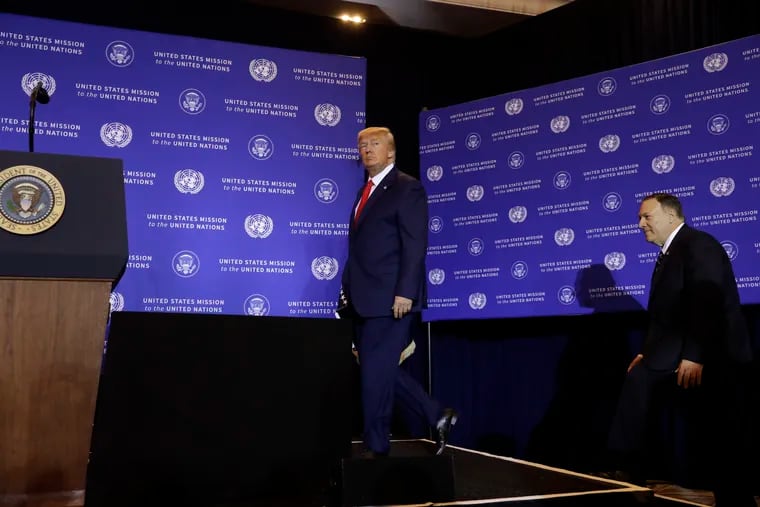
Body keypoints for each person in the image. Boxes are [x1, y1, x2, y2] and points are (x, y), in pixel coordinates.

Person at [605, 193, 755, 505]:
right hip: (672, 354)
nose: (640, 224)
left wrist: (694, 356)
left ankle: (735, 500)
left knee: (721, 434)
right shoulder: (669, 252)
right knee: (638, 382)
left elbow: (707, 303)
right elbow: (668, 315)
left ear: (671, 217)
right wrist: (647, 352)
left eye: (647, 217)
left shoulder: (698, 244)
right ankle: (627, 472)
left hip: (714, 358)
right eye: (639, 218)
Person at [339, 126, 457, 458]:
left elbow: (415, 244)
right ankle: (436, 414)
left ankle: (376, 447)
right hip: (364, 300)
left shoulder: (407, 188)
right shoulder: (365, 191)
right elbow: (359, 250)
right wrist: (346, 293)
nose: (367, 150)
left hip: (392, 299)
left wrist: (405, 292)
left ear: (391, 151)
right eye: (362, 145)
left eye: (374, 144)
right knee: (377, 370)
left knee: (375, 375)